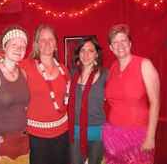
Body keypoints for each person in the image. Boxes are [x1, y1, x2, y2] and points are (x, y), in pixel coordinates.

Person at [102, 24, 160, 164]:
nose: (120, 45)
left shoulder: (144, 64)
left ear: (130, 43)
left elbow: (156, 103)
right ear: (110, 47)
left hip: (138, 135)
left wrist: (150, 137)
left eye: (124, 40)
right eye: (115, 42)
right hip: (112, 134)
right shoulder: (114, 67)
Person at [0, 26, 30, 164]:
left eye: (22, 46)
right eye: (14, 44)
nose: (19, 49)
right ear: (4, 46)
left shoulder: (23, 74)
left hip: (21, 140)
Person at [22, 24, 70, 164]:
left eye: (50, 39)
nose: (47, 43)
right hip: (36, 135)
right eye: (42, 40)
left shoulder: (63, 69)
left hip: (62, 132)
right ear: (36, 44)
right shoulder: (25, 66)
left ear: (56, 43)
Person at [68, 36, 108, 164]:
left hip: (97, 132)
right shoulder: (71, 73)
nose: (86, 54)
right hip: (75, 132)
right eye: (82, 50)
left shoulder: (106, 75)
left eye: (90, 51)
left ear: (96, 54)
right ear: (78, 53)